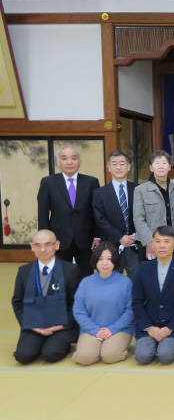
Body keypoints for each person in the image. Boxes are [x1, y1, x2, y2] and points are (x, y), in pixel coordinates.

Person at [11, 230, 80, 364]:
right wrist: (30, 325)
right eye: (38, 245)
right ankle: (37, 341)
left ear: (57, 245)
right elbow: (17, 302)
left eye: (48, 244)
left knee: (51, 354)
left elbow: (76, 303)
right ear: (32, 247)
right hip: (34, 325)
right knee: (23, 356)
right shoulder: (24, 271)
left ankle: (59, 343)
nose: (43, 249)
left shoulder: (70, 270)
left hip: (61, 325)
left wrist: (62, 325)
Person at [131, 226, 174, 364]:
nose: (162, 246)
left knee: (165, 355)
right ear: (152, 244)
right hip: (149, 324)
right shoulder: (143, 269)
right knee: (142, 357)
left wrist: (169, 328)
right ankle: (152, 339)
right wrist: (149, 327)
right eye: (158, 241)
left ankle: (169, 341)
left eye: (167, 241)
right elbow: (137, 302)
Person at [37, 145, 100, 278]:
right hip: (58, 239)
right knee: (60, 277)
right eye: (64, 158)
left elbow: (97, 212)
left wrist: (97, 236)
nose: (69, 162)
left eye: (73, 158)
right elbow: (42, 214)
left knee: (86, 276)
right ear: (57, 162)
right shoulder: (48, 183)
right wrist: (45, 240)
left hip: (86, 240)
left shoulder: (91, 182)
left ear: (80, 162)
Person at [72, 242, 134, 365]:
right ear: (95, 260)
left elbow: (130, 310)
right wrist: (95, 330)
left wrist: (112, 329)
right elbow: (79, 311)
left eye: (109, 259)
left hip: (119, 329)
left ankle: (117, 348)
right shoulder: (86, 282)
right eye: (101, 259)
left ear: (115, 261)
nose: (105, 263)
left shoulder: (125, 282)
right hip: (91, 329)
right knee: (85, 358)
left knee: (109, 356)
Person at [92, 150, 139, 278]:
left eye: (122, 163)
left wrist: (135, 235)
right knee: (112, 280)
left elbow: (143, 215)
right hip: (111, 245)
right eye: (114, 164)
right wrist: (120, 237)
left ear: (129, 167)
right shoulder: (99, 193)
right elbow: (100, 219)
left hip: (135, 245)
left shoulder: (138, 189)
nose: (118, 167)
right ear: (108, 167)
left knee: (137, 282)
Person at [133, 150, 174, 261]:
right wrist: (150, 242)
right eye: (157, 163)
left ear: (169, 167)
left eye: (164, 163)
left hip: (172, 243)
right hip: (150, 244)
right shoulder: (140, 190)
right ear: (151, 168)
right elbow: (138, 219)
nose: (161, 166)